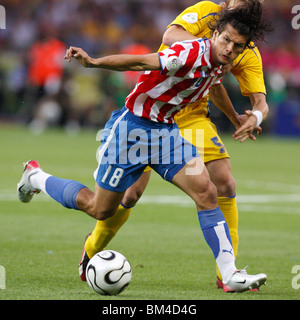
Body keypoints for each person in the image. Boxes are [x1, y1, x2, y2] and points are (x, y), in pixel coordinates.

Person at [18, 2, 269, 292]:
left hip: (167, 135)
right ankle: (35, 177)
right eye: (225, 40)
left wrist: (235, 116)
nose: (228, 49)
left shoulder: (221, 61)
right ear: (214, 35)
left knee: (207, 190)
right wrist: (95, 62)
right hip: (132, 132)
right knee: (99, 209)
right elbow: (142, 62)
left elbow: (213, 83)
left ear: (241, 49)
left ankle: (229, 274)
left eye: (235, 46)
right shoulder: (188, 53)